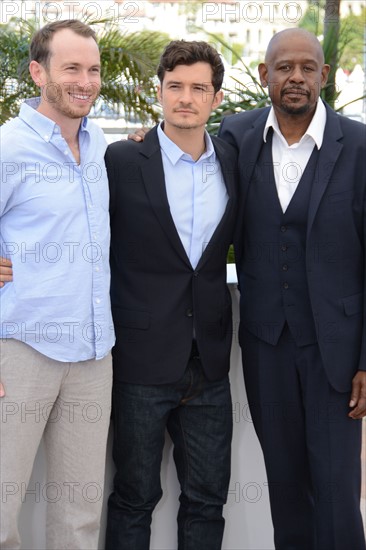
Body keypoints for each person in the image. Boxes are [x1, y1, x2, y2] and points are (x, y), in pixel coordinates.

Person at [219, 28, 366, 549]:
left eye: (308, 68)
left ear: (324, 76)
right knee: (285, 488)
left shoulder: (360, 146)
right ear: (265, 76)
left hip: (338, 356)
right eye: (284, 67)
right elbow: (178, 158)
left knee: (336, 492)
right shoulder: (235, 136)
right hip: (266, 347)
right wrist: (146, 140)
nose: (296, 77)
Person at [104, 40, 237, 549]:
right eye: (175, 86)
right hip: (139, 360)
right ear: (157, 92)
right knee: (134, 496)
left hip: (210, 363)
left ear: (216, 97)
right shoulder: (119, 159)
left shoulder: (234, 158)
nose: (186, 98)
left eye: (198, 88)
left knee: (207, 499)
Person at [0, 20, 114, 549]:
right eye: (71, 68)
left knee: (79, 518)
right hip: (18, 351)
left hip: (93, 354)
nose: (84, 81)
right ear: (38, 71)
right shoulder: (8, 147)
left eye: (92, 70)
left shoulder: (101, 147)